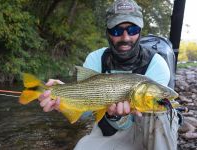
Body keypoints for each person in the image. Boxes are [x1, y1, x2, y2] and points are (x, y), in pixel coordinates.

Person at [38, 0, 180, 149]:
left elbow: (156, 109)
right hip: (110, 131)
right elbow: (86, 114)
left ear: (140, 31)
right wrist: (64, 100)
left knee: (163, 113)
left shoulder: (157, 64)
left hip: (149, 130)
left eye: (132, 30)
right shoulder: (95, 59)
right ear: (107, 32)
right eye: (117, 31)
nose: (125, 38)